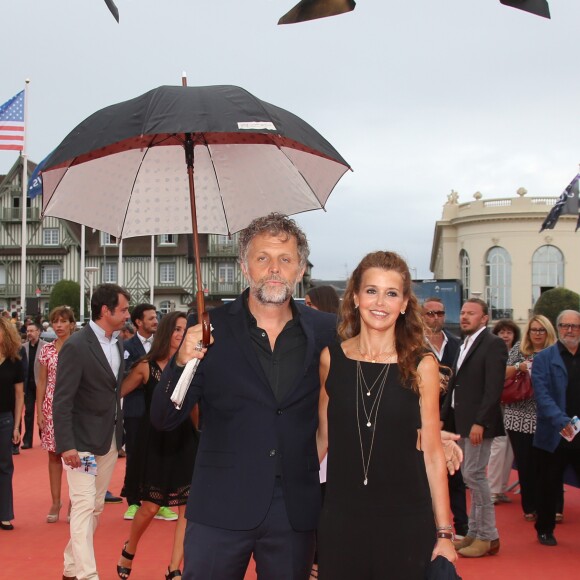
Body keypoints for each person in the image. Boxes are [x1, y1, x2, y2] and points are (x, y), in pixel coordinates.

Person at [152, 214, 462, 580]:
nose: (274, 269)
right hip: (221, 506)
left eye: (285, 259)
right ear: (244, 266)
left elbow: (361, 391)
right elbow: (163, 417)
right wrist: (180, 362)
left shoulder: (327, 335)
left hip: (296, 513)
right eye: (262, 257)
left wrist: (425, 434)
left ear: (300, 270)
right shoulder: (208, 330)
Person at [316, 251, 456, 579]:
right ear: (354, 297)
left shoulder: (423, 364)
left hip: (406, 519)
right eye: (371, 291)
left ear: (405, 303)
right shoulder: (330, 359)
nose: (381, 302)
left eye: (392, 293)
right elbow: (321, 439)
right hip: (341, 518)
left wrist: (445, 532)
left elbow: (433, 453)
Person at [53, 283, 130, 580]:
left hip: (109, 440)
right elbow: (62, 399)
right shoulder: (76, 345)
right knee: (84, 505)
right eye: (122, 309)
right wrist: (67, 444)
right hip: (82, 444)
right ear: (105, 310)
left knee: (95, 507)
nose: (126, 314)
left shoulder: (119, 343)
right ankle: (88, 575)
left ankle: (71, 567)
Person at [117, 311, 198, 580]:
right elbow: (117, 394)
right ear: (166, 332)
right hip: (156, 442)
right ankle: (130, 549)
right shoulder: (146, 366)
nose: (181, 335)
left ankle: (174, 568)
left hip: (186, 440)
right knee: (150, 506)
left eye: (185, 330)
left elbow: (195, 408)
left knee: (187, 507)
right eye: (176, 329)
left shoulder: (194, 366)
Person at [441, 298, 507, 558]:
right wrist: (444, 419)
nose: (465, 317)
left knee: (474, 477)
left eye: (472, 313)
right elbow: (454, 384)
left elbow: (494, 388)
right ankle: (474, 533)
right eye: (463, 312)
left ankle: (488, 536)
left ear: (485, 318)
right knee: (470, 477)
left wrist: (481, 421)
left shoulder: (493, 344)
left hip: (480, 424)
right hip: (461, 421)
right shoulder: (462, 343)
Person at [121, 304, 175, 522]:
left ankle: (159, 501)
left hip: (159, 410)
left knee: (160, 455)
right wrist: (145, 377)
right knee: (135, 454)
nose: (155, 321)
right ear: (138, 322)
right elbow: (124, 375)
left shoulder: (162, 345)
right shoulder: (126, 346)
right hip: (135, 410)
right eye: (151, 318)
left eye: (156, 317)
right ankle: (133, 501)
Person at [503, 315, 558, 522]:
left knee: (546, 465)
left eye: (541, 330)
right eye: (534, 330)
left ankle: (549, 506)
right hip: (518, 415)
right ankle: (530, 506)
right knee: (525, 464)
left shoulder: (555, 352)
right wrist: (520, 366)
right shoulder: (519, 349)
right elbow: (503, 374)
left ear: (548, 332)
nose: (537, 334)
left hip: (546, 416)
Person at [532, 309, 580, 547]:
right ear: (558, 328)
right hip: (554, 434)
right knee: (548, 486)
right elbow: (542, 397)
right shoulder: (543, 358)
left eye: (575, 326)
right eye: (565, 325)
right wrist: (563, 422)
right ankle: (544, 529)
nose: (570, 330)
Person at [422, 297, 468, 538]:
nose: (435, 318)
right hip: (422, 418)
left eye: (439, 313)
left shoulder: (457, 345)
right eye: (429, 313)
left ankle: (462, 525)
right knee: (425, 477)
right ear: (421, 316)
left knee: (455, 474)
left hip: (451, 418)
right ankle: (429, 529)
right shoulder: (412, 345)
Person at [303, 285, 340, 580]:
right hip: (315, 435)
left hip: (327, 437)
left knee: (323, 509)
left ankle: (318, 563)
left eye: (309, 303)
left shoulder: (333, 347)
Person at [36, 306, 76, 523]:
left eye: (63, 321)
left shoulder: (79, 348)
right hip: (51, 406)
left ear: (72, 324)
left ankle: (74, 501)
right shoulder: (47, 350)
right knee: (53, 455)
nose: (59, 325)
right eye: (55, 321)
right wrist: (40, 411)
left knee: (75, 455)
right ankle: (55, 501)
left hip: (75, 407)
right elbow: (41, 381)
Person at [488, 319, 520, 505]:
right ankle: (492, 489)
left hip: (514, 404)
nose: (506, 335)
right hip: (496, 404)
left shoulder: (518, 352)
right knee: (498, 445)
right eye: (502, 332)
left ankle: (500, 489)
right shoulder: (492, 352)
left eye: (509, 332)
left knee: (509, 448)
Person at [0, 317, 24, 531]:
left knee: (5, 467)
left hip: (5, 419)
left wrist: (17, 426)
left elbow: (19, 395)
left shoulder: (14, 361)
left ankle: (5, 514)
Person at [20, 322, 48, 449]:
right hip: (27, 385)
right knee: (29, 412)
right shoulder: (22, 347)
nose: (29, 333)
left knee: (43, 412)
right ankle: (27, 440)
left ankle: (44, 438)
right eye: (28, 331)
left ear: (38, 332)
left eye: (32, 331)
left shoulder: (45, 347)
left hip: (41, 384)